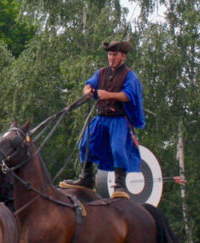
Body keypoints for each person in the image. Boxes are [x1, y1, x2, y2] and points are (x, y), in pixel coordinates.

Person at [60, 40, 145, 199]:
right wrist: (87, 90)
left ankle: (120, 184)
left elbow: (129, 95)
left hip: (118, 120)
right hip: (101, 118)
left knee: (118, 149)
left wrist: (110, 95)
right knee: (85, 144)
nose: (111, 58)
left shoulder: (129, 75)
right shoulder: (101, 73)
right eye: (110, 55)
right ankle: (87, 178)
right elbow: (89, 84)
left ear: (123, 57)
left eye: (115, 55)